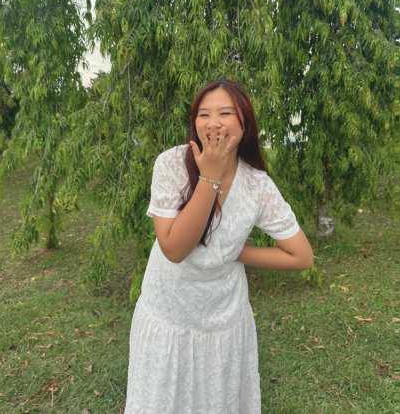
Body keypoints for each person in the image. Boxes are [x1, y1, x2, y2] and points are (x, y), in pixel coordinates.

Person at [124, 79, 314, 413]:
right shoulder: (171, 164)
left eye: (225, 113)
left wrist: (236, 252)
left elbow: (301, 255)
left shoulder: (257, 185)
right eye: (204, 114)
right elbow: (174, 249)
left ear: (244, 123)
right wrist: (209, 177)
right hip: (169, 314)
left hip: (223, 319)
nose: (213, 123)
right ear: (194, 122)